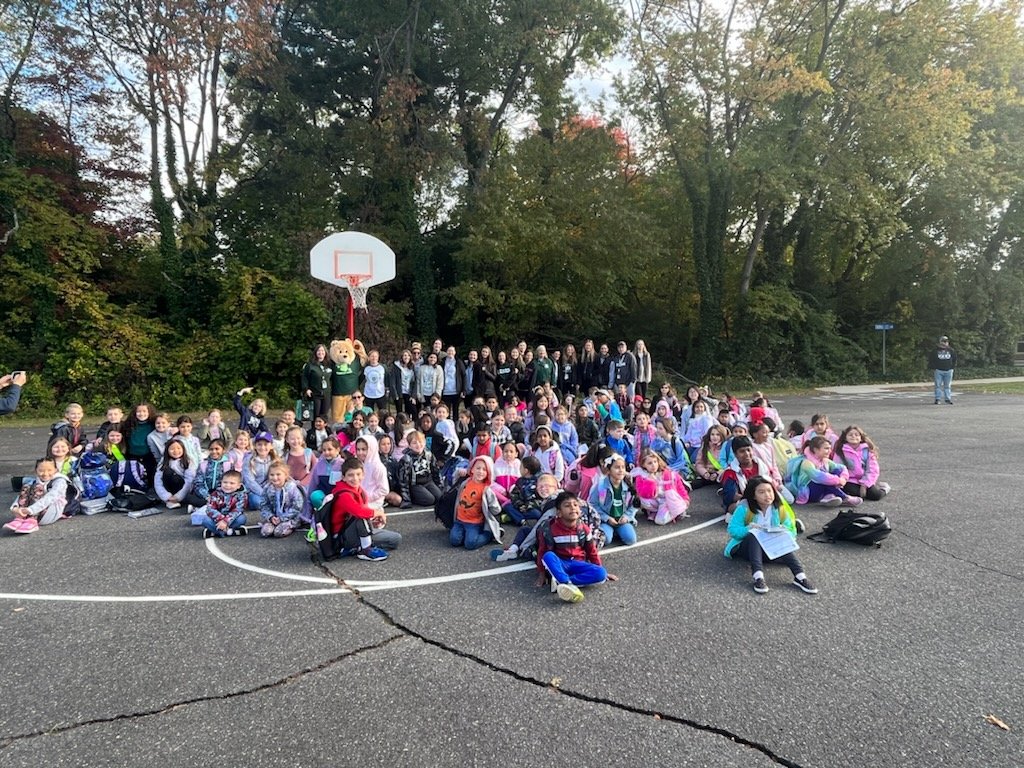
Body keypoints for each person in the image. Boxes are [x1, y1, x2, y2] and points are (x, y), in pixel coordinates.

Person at [724, 478, 818, 595]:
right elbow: (732, 530)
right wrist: (749, 529)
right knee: (755, 535)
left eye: (769, 491)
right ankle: (758, 577)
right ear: (753, 496)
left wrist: (783, 531)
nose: (767, 495)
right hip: (748, 548)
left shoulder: (779, 508)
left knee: (781, 536)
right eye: (761, 492)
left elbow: (791, 529)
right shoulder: (744, 508)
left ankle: (800, 577)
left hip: (770, 548)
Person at [536, 490, 616, 604]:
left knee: (601, 573)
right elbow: (542, 550)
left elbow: (592, 551)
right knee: (548, 556)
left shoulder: (584, 529)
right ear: (559, 513)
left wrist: (598, 568)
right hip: (561, 562)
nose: (573, 508)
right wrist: (541, 573)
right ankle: (566, 583)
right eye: (567, 506)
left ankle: (562, 583)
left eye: (575, 505)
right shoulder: (549, 528)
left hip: (578, 563)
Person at [323, 457, 389, 561]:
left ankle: (357, 546)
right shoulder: (343, 494)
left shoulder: (360, 491)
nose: (355, 478)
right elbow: (359, 513)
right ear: (343, 477)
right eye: (350, 475)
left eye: (358, 474)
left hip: (354, 530)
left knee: (395, 539)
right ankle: (365, 550)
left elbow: (365, 511)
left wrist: (372, 521)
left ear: (363, 475)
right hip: (341, 536)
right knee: (360, 516)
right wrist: (378, 512)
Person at [4, 457, 77, 533]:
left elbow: (50, 498)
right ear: (36, 471)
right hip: (29, 511)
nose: (45, 474)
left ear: (56, 470)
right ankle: (20, 518)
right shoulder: (34, 481)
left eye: (49, 470)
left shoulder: (60, 481)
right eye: (41, 471)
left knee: (38, 487)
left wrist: (30, 510)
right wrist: (15, 507)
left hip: (50, 512)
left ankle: (32, 520)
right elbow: (20, 496)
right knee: (27, 486)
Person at [785, 435, 861, 507]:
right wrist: (838, 480)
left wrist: (843, 478)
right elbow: (819, 477)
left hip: (821, 488)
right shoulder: (806, 462)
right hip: (809, 493)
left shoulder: (824, 460)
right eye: (826, 448)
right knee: (824, 477)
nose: (829, 451)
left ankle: (828, 496)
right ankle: (845, 497)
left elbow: (842, 468)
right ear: (816, 450)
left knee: (837, 470)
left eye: (830, 448)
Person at [450, 455, 503, 550]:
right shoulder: (465, 483)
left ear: (488, 473)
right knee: (454, 541)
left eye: (484, 469)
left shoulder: (486, 490)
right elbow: (454, 481)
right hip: (460, 521)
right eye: (478, 468)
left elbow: (496, 508)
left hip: (474, 523)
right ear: (472, 469)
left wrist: (493, 511)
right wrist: (458, 473)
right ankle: (465, 534)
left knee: (470, 544)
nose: (480, 471)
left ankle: (489, 535)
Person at [588, 454, 638, 546]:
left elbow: (634, 505)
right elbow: (593, 504)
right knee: (606, 540)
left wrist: (627, 517)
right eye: (617, 467)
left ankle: (618, 531)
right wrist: (607, 518)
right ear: (609, 470)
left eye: (623, 467)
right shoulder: (601, 486)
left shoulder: (628, 486)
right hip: (606, 520)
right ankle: (610, 531)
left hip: (622, 519)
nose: (621, 470)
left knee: (631, 540)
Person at [832, 425, 890, 501]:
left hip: (864, 479)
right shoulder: (841, 451)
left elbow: (873, 470)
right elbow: (838, 468)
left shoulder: (867, 451)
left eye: (856, 435)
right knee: (852, 491)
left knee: (875, 495)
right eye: (850, 435)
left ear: (861, 438)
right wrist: (841, 480)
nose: (853, 436)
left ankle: (885, 488)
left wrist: (865, 484)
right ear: (845, 438)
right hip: (849, 480)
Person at [632, 450, 689, 525]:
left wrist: (685, 498)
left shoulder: (668, 473)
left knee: (660, 521)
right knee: (644, 500)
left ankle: (677, 511)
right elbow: (644, 494)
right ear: (643, 465)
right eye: (649, 463)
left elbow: (679, 486)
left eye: (655, 462)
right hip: (656, 500)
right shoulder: (641, 476)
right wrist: (651, 482)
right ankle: (660, 511)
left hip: (668, 501)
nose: (653, 465)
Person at [193, 469, 248, 538]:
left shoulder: (242, 495)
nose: (227, 485)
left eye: (232, 483)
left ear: (239, 486)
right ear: (221, 482)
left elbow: (238, 510)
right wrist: (220, 519)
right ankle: (229, 532)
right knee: (205, 520)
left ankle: (215, 532)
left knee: (242, 518)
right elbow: (210, 508)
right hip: (217, 519)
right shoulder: (216, 494)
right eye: (225, 482)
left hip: (232, 519)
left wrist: (225, 521)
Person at [259, 460, 305, 538]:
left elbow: (297, 507)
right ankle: (274, 523)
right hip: (274, 518)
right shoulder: (267, 488)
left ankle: (291, 526)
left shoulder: (292, 488)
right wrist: (270, 517)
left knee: (278, 533)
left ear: (285, 475)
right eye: (272, 475)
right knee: (265, 532)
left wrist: (282, 518)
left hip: (290, 518)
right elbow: (264, 505)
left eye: (278, 474)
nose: (275, 477)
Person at [397, 431, 443, 507]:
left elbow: (436, 471)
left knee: (439, 497)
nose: (418, 445)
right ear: (409, 445)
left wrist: (440, 487)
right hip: (415, 485)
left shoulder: (429, 454)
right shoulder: (406, 459)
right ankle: (414, 498)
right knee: (429, 500)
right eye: (414, 443)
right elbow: (403, 481)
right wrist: (406, 499)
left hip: (428, 482)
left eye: (420, 442)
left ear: (424, 442)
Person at [154, 438, 202, 510]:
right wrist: (166, 496)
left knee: (195, 499)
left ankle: (190, 504)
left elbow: (189, 480)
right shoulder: (163, 461)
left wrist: (178, 497)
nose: (176, 451)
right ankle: (170, 501)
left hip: (184, 489)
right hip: (170, 489)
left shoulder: (188, 461)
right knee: (168, 472)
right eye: (172, 449)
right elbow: (157, 480)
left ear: (183, 449)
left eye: (178, 448)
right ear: (167, 450)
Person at [301, 344, 333, 421]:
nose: (321, 352)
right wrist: (306, 389)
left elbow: (333, 378)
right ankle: (314, 431)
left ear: (325, 352)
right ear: (315, 352)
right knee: (315, 414)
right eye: (319, 351)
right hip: (315, 393)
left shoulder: (329, 364)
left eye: (322, 351)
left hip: (326, 394)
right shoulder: (310, 365)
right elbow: (305, 378)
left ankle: (323, 431)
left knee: (324, 415)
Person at [929, 335, 956, 404]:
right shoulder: (935, 351)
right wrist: (934, 367)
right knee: (938, 385)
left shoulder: (951, 350)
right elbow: (931, 359)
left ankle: (948, 399)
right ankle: (937, 399)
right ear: (940, 342)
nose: (945, 343)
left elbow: (954, 359)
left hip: (949, 370)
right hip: (938, 370)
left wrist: (952, 367)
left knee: (947, 385)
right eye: (943, 341)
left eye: (946, 341)